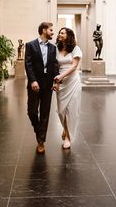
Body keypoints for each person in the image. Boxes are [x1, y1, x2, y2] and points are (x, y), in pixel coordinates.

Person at [25, 22, 59, 154]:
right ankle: (39, 130)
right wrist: (32, 80)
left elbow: (55, 65)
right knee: (32, 112)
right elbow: (28, 64)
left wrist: (56, 81)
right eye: (51, 30)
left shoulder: (52, 47)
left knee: (45, 113)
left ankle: (41, 142)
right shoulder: (30, 45)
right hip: (34, 84)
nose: (52, 32)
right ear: (44, 30)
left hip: (48, 84)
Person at [54, 27, 82, 149]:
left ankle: (68, 137)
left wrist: (61, 76)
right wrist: (56, 82)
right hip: (61, 83)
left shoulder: (76, 49)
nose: (60, 34)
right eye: (59, 32)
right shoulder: (56, 48)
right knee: (61, 111)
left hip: (72, 81)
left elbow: (74, 66)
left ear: (69, 35)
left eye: (62, 33)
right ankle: (65, 128)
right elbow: (55, 65)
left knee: (71, 111)